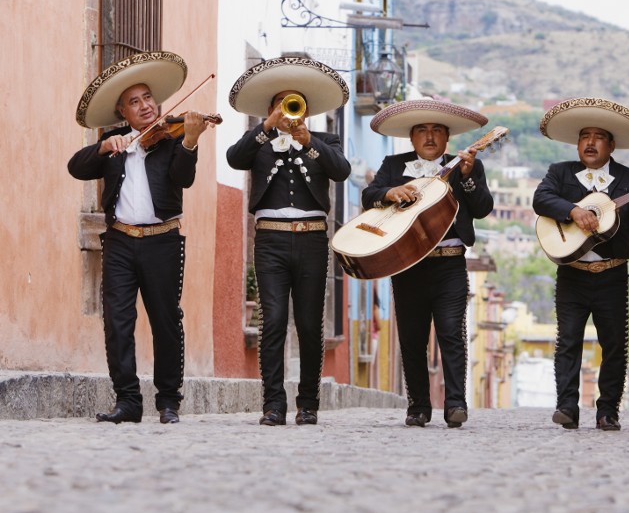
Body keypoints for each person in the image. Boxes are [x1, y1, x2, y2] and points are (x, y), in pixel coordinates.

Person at [68, 51, 211, 424]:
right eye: (135, 102)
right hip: (118, 242)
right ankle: (128, 401)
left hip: (162, 241)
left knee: (165, 320)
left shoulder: (170, 141)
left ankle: (168, 402)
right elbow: (75, 166)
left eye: (148, 98)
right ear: (123, 112)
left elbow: (183, 178)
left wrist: (191, 141)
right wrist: (102, 146)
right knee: (117, 321)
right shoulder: (114, 144)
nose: (145, 106)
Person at [226, 57, 350, 426]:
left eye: (294, 104)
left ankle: (308, 402)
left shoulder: (325, 140)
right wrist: (266, 127)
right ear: (270, 109)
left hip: (311, 241)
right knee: (273, 321)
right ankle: (273, 404)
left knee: (311, 324)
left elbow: (341, 171)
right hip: (270, 242)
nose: (289, 111)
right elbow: (234, 159)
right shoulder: (260, 142)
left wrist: (309, 141)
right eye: (281, 105)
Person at [361, 99, 493, 428]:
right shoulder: (393, 164)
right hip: (407, 265)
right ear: (411, 137)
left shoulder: (466, 165)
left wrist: (466, 178)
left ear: (448, 138)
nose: (430, 136)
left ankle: (455, 404)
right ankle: (418, 406)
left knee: (451, 333)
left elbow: (482, 208)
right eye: (422, 130)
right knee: (411, 336)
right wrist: (390, 193)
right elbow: (369, 195)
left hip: (449, 263)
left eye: (437, 130)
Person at [533, 98, 629, 430]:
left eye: (598, 136)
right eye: (584, 136)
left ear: (611, 144)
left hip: (612, 273)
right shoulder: (560, 173)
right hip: (571, 273)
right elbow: (540, 199)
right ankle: (567, 407)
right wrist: (573, 211)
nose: (589, 142)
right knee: (568, 340)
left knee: (614, 344)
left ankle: (608, 410)